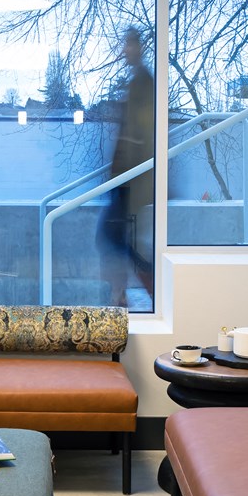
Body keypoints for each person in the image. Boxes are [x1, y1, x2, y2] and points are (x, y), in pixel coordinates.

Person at [97, 28, 155, 306]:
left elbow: (142, 131)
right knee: (118, 239)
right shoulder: (138, 81)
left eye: (128, 45)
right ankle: (122, 295)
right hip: (125, 179)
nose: (124, 51)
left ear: (139, 47)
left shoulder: (143, 81)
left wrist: (127, 175)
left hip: (130, 179)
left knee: (110, 237)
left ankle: (132, 293)